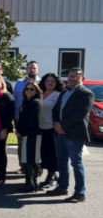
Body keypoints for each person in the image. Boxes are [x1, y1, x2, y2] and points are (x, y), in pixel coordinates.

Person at [47, 67, 94, 203]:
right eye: (70, 76)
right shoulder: (64, 92)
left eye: (75, 76)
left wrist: (63, 126)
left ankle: (80, 193)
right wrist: (56, 124)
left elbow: (81, 114)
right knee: (62, 162)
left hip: (74, 134)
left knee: (76, 163)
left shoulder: (86, 93)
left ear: (82, 78)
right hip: (60, 133)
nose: (72, 78)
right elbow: (55, 110)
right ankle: (62, 187)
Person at [13, 61, 40, 174]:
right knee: (21, 144)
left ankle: (36, 168)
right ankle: (23, 167)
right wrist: (15, 119)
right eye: (30, 68)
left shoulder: (42, 82)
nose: (32, 70)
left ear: (37, 70)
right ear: (26, 70)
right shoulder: (19, 83)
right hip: (20, 118)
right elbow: (14, 101)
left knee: (36, 144)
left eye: (34, 68)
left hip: (36, 119)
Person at [16, 81, 43, 192]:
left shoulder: (36, 103)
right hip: (27, 134)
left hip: (33, 135)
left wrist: (21, 131)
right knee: (27, 159)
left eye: (32, 89)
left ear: (36, 91)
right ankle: (30, 183)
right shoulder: (27, 102)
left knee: (31, 160)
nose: (29, 91)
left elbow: (32, 121)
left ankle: (31, 184)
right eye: (27, 89)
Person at [38, 73, 64, 188]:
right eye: (47, 81)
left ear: (56, 83)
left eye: (52, 81)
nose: (49, 83)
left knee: (51, 154)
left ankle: (50, 177)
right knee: (43, 153)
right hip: (40, 128)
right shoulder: (40, 94)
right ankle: (52, 174)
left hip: (52, 129)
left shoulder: (58, 95)